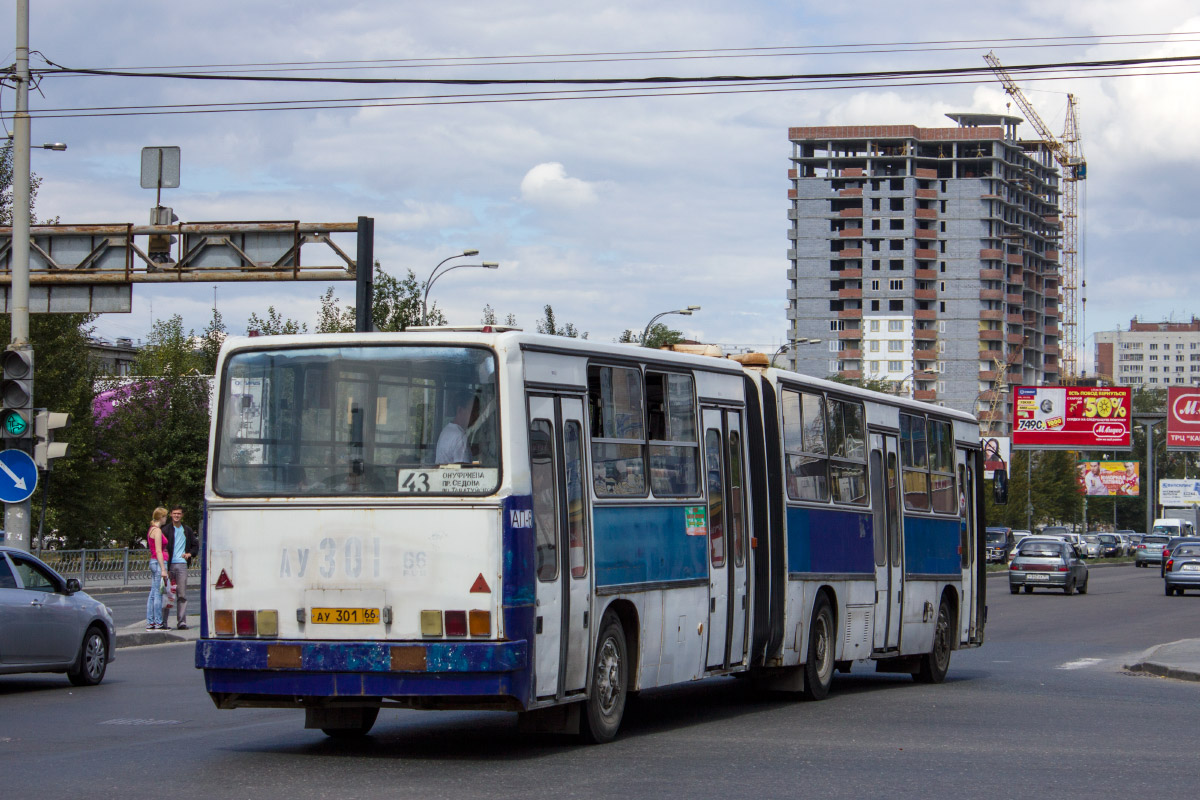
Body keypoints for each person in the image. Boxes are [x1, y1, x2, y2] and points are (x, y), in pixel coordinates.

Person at [162, 505, 199, 630]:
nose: (177, 516)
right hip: (169, 565)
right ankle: (163, 622)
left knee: (182, 595)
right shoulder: (166, 530)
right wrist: (164, 566)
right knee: (167, 594)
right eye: (174, 513)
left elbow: (195, 546)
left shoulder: (187, 530)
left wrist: (189, 554)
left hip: (182, 565)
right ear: (171, 515)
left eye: (179, 513)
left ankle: (181, 622)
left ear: (182, 515)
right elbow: (162, 548)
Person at [145, 507, 170, 631]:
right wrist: (163, 569)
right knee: (158, 594)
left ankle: (150, 622)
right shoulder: (157, 531)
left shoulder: (151, 529)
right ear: (161, 517)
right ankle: (158, 622)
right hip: (159, 562)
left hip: (153, 562)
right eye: (165, 516)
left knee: (153, 594)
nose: (166, 519)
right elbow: (159, 550)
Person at [435, 392, 475, 463]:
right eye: (473, 411)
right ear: (460, 410)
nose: (477, 415)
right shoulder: (459, 436)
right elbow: (463, 471)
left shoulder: (447, 430)